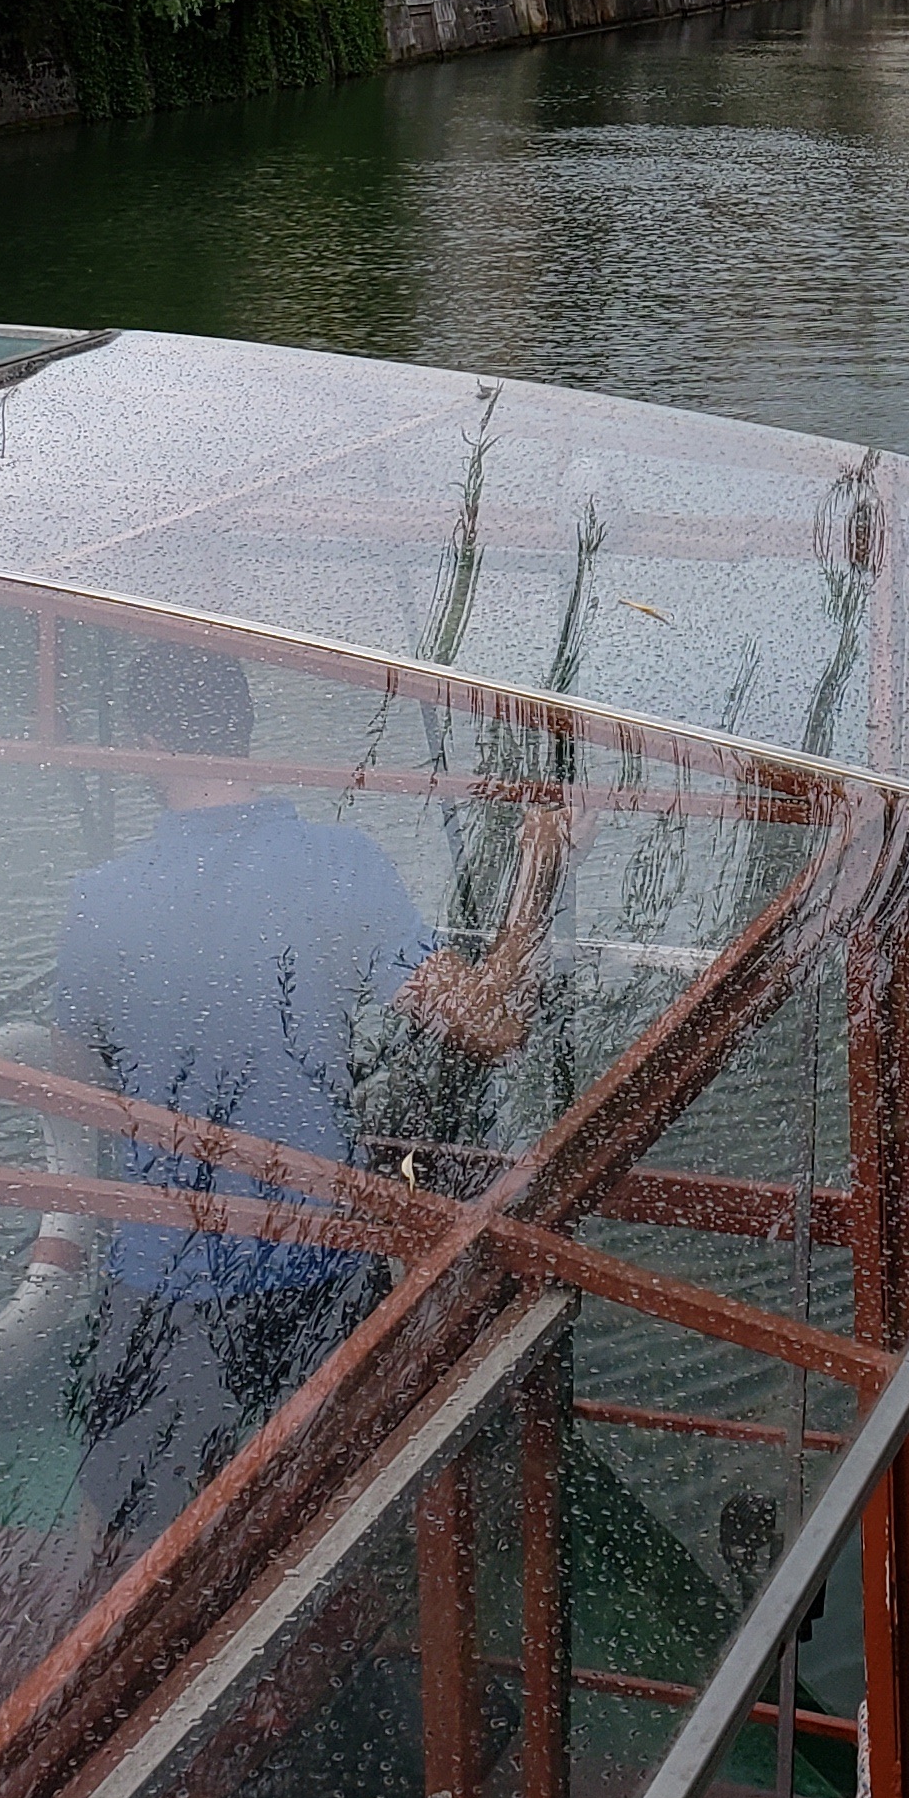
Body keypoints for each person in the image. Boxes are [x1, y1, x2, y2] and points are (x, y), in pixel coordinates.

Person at [51, 638, 566, 1556]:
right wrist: (542, 871)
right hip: (317, 1263)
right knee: (340, 1522)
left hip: (160, 1267)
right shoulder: (342, 868)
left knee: (124, 1543)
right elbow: (491, 1025)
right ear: (247, 727)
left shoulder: (97, 901)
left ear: (143, 743)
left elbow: (77, 1083)